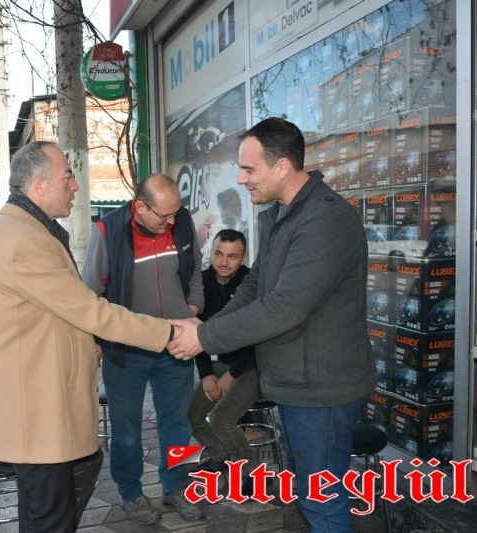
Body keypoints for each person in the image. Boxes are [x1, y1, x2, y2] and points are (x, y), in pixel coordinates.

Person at [168, 117, 374, 533]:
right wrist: (205, 330)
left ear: (282, 167)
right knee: (313, 496)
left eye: (249, 169)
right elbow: (255, 287)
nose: (241, 179)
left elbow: (284, 307)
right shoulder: (284, 216)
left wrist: (203, 337)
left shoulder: (323, 220)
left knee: (322, 502)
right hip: (299, 384)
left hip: (323, 391)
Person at [0, 141, 174, 533]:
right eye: (67, 176)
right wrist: (167, 331)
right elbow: (88, 309)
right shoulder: (25, 239)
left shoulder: (26, 229)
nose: (76, 186)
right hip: (36, 415)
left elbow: (50, 314)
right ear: (40, 186)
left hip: (40, 409)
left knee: (46, 512)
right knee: (51, 518)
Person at [81, 173, 205, 525]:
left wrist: (194, 305)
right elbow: (89, 293)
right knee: (126, 430)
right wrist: (97, 338)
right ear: (139, 207)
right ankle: (131, 493)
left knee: (178, 423)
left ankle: (176, 486)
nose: (172, 222)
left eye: (175, 214)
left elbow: (196, 270)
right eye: (164, 216)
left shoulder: (181, 223)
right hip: (126, 350)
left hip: (177, 344)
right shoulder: (107, 232)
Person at [188, 229, 258, 471]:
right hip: (221, 364)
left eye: (232, 256)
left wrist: (232, 375)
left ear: (243, 257)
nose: (224, 262)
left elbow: (260, 338)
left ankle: (253, 474)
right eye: (219, 254)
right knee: (191, 416)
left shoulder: (252, 284)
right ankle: (222, 459)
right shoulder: (201, 283)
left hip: (254, 366)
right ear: (211, 252)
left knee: (220, 419)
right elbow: (197, 332)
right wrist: (207, 374)